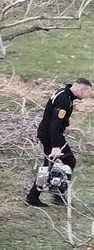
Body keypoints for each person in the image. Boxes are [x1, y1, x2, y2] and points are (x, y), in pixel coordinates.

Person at [25, 77, 92, 207]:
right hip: (50, 135)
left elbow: (58, 116)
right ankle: (57, 194)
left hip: (48, 133)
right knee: (69, 161)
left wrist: (66, 124)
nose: (87, 95)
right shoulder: (64, 100)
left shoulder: (65, 94)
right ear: (80, 89)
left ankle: (34, 197)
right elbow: (54, 124)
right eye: (87, 92)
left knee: (48, 164)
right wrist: (56, 146)